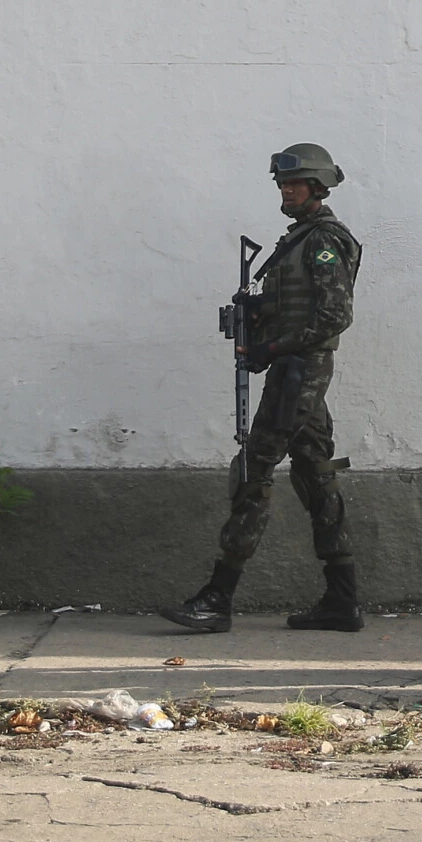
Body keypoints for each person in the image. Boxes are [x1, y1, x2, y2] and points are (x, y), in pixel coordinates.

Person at [162, 144, 366, 633]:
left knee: (254, 469)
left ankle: (217, 597)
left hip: (299, 371)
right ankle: (342, 600)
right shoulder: (296, 242)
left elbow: (335, 315)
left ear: (319, 188)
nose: (286, 190)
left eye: (295, 184)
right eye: (282, 184)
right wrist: (258, 319)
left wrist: (271, 346)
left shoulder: (322, 241)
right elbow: (298, 306)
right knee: (315, 474)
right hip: (296, 371)